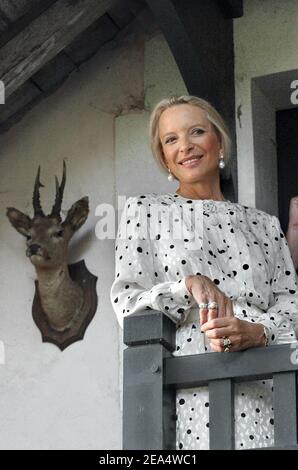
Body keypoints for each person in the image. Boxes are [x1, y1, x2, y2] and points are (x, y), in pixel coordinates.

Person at [110, 95, 298, 450]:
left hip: (268, 386)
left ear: (219, 141)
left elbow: (292, 307)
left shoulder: (265, 225)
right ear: (164, 156)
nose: (185, 146)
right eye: (171, 139)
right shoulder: (145, 212)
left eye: (196, 131)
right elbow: (127, 303)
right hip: (190, 390)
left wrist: (260, 332)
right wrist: (186, 286)